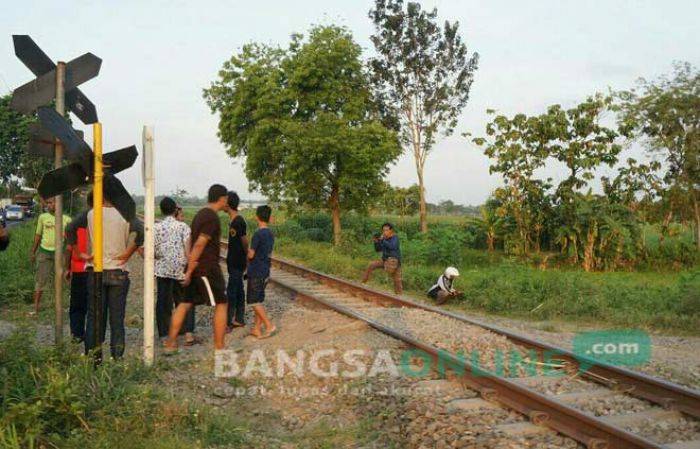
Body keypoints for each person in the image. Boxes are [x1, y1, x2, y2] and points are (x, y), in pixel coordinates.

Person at [67, 197, 143, 359]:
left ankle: (94, 357)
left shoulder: (90, 214)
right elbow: (140, 232)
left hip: (95, 271)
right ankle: (116, 358)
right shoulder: (126, 215)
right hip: (118, 272)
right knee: (117, 319)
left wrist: (79, 253)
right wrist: (128, 253)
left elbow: (69, 228)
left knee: (94, 317)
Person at [164, 184, 229, 353]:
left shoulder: (201, 214)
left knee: (185, 303)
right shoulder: (211, 217)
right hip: (206, 268)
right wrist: (190, 270)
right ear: (222, 198)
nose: (226, 203)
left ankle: (170, 344)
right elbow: (200, 244)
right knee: (222, 303)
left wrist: (189, 267)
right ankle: (220, 347)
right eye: (226, 199)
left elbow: (191, 241)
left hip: (195, 266)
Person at [154, 197, 199, 345]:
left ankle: (164, 335)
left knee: (163, 303)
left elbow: (153, 252)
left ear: (161, 210)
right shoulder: (183, 227)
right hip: (180, 269)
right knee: (185, 300)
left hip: (163, 270)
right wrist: (190, 270)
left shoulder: (156, 227)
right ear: (175, 210)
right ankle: (188, 333)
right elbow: (188, 252)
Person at [29, 197, 72, 315]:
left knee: (65, 279)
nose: (49, 205)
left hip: (60, 254)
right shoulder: (43, 217)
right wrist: (33, 251)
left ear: (58, 204)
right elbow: (38, 235)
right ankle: (35, 308)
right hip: (44, 253)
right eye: (48, 203)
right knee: (40, 281)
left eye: (51, 202)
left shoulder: (67, 219)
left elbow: (70, 239)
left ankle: (66, 306)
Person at [64, 192, 92, 341]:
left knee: (77, 304)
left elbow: (69, 249)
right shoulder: (99, 223)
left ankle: (76, 334)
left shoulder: (76, 225)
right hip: (95, 269)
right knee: (93, 304)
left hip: (78, 269)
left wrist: (67, 268)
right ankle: (92, 334)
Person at [246, 205, 276, 339]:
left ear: (257, 217)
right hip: (265, 270)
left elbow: (251, 255)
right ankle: (256, 329)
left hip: (256, 271)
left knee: (253, 301)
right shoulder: (270, 233)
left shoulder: (257, 234)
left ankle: (269, 326)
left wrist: (245, 250)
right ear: (269, 218)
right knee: (259, 300)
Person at [225, 191, 248, 331]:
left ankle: (228, 322)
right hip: (234, 262)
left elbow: (244, 241)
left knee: (232, 291)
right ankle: (239, 319)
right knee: (238, 289)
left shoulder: (238, 221)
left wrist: (247, 258)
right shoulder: (234, 221)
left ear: (228, 204)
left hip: (237, 262)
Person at [362, 222, 403, 294]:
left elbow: (392, 246)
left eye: (386, 230)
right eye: (383, 230)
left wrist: (383, 240)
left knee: (397, 280)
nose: (385, 232)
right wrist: (376, 242)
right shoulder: (384, 239)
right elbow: (378, 249)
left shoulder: (395, 238)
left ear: (391, 231)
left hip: (395, 261)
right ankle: (363, 283)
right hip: (384, 260)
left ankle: (399, 295)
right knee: (371, 265)